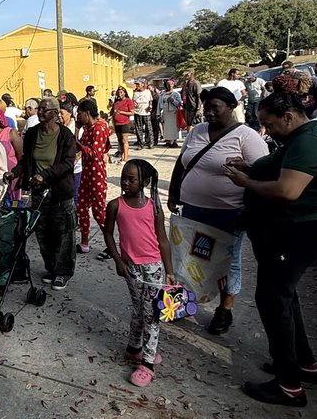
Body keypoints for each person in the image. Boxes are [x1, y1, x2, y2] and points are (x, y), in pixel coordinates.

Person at [224, 90, 317, 408]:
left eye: (269, 124)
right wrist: (250, 167)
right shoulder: (298, 139)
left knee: (273, 299)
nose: (267, 131)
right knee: (284, 298)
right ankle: (303, 364)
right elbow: (279, 170)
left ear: (288, 117)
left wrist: (248, 183)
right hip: (292, 229)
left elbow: (288, 189)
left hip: (301, 231)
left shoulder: (308, 143)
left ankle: (289, 385)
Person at [167, 86, 268, 334]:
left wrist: (250, 212)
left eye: (215, 108)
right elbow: (182, 164)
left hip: (229, 212)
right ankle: (182, 304)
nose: (209, 113)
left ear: (232, 107)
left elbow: (263, 173)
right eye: (206, 108)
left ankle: (224, 310)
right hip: (193, 209)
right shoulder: (197, 131)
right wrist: (173, 193)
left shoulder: (246, 136)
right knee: (187, 258)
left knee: (227, 262)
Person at [103, 159, 176, 388]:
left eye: (131, 179)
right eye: (123, 177)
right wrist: (118, 260)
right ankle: (134, 348)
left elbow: (162, 240)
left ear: (144, 182)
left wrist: (170, 271)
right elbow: (108, 234)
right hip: (131, 268)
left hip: (153, 268)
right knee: (139, 309)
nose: (125, 182)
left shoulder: (154, 207)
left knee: (152, 314)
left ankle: (147, 363)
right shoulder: (115, 205)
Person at [7, 96, 77, 291]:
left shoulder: (65, 136)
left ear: (55, 113)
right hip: (38, 192)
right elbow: (26, 160)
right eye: (39, 109)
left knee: (63, 234)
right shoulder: (32, 134)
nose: (40, 113)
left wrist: (44, 175)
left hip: (60, 192)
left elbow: (67, 163)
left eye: (44, 110)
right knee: (43, 233)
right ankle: (52, 268)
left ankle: (63, 272)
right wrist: (14, 173)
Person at [75, 98, 110, 254]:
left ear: (87, 113)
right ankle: (84, 243)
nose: (78, 117)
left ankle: (111, 246)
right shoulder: (87, 129)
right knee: (82, 209)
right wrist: (77, 131)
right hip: (86, 174)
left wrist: (80, 146)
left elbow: (96, 154)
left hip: (96, 174)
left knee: (98, 211)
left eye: (79, 114)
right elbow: (80, 145)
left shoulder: (99, 128)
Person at [59, 100, 81, 203]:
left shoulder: (77, 128)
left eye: (61, 113)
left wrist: (77, 157)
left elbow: (84, 146)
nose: (59, 115)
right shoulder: (58, 127)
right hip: (62, 167)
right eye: (58, 113)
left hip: (76, 167)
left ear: (70, 113)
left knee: (75, 194)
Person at [110, 86, 135, 163]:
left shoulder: (128, 101)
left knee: (125, 141)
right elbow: (112, 112)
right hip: (117, 124)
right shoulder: (116, 102)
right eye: (118, 92)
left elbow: (132, 112)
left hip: (125, 123)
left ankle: (125, 158)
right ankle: (122, 155)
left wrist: (121, 112)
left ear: (124, 93)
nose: (120, 94)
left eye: (121, 92)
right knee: (120, 140)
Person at [158, 79, 183, 147]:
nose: (169, 86)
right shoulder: (162, 94)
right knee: (166, 127)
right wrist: (158, 113)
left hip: (173, 112)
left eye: (171, 85)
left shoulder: (176, 94)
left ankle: (174, 141)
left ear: (173, 85)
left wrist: (173, 100)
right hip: (165, 112)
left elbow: (179, 104)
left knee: (174, 127)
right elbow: (159, 104)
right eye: (168, 85)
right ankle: (168, 141)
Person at [132, 79, 154, 149]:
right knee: (139, 129)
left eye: (138, 84)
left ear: (142, 84)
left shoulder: (147, 92)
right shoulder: (135, 93)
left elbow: (150, 101)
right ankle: (140, 144)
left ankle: (150, 143)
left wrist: (150, 106)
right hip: (138, 112)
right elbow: (134, 102)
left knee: (149, 129)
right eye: (136, 84)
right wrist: (134, 105)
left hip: (146, 113)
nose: (137, 86)